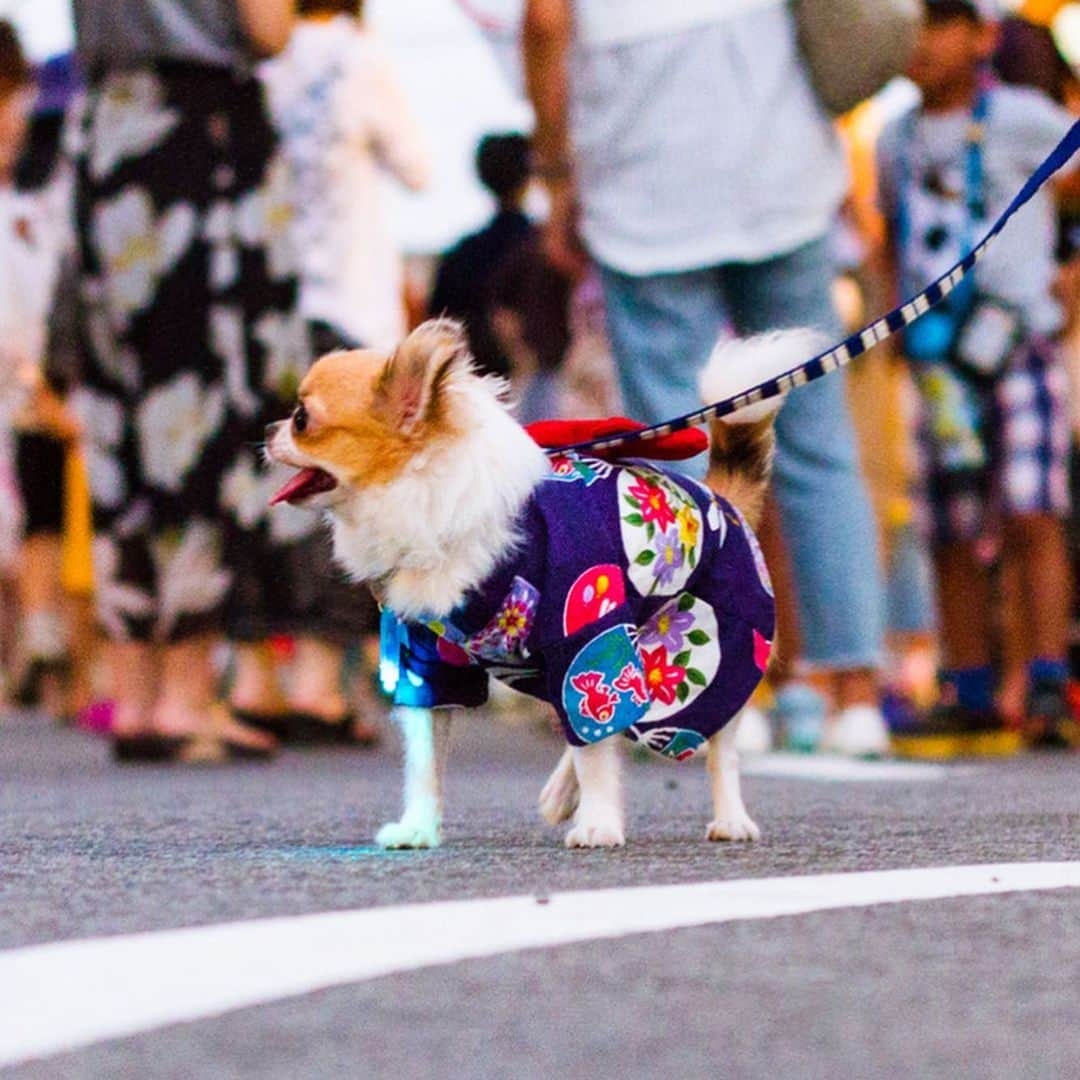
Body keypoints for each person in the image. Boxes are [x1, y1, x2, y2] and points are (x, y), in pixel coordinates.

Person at [522, 0, 891, 755]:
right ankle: (855, 694)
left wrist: (556, 170)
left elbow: (544, 20)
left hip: (644, 168)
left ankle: (718, 692)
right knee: (818, 441)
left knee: (682, 456)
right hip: (776, 161)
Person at [70, 0, 301, 761]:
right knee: (200, 409)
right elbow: (268, 27)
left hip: (106, 130)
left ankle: (132, 690)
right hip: (197, 141)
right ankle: (185, 693)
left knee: (119, 411)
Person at [876, 0, 1077, 748]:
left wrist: (1069, 268)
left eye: (938, 24)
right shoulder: (895, 138)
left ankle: (1048, 677)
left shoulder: (1024, 115)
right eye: (911, 28)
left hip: (1018, 341)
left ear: (981, 36)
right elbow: (891, 236)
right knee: (951, 524)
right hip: (938, 361)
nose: (921, 44)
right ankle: (969, 683)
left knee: (1032, 509)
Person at [429, 132, 533, 378]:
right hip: (530, 377)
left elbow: (436, 324)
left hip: (474, 378)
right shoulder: (538, 247)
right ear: (529, 177)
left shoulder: (461, 253)